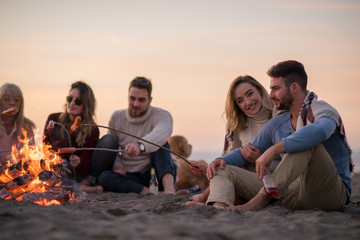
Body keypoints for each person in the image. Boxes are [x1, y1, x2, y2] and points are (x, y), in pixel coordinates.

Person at [206, 60, 352, 211]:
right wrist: (219, 160)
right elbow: (247, 150)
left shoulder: (321, 110)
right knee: (222, 168)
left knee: (306, 144)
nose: (270, 95)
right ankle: (219, 206)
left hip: (329, 193)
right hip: (290, 192)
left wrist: (274, 149)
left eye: (276, 89)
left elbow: (321, 131)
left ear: (294, 87)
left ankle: (258, 201)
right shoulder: (278, 122)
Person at [187, 75, 275, 205]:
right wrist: (208, 168)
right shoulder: (238, 124)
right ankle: (215, 204)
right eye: (240, 100)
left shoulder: (277, 116)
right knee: (225, 169)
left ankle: (204, 198)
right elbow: (229, 160)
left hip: (271, 180)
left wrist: (260, 159)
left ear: (259, 90)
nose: (248, 102)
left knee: (233, 174)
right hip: (244, 180)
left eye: (250, 94)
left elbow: (288, 163)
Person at [93, 76, 176, 195]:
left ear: (150, 100)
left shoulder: (162, 115)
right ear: (128, 96)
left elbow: (162, 132)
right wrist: (117, 164)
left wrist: (140, 146)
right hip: (129, 175)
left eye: (141, 100)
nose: (135, 103)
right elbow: (112, 147)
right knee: (105, 178)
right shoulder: (117, 117)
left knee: (161, 143)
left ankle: (169, 191)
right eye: (132, 98)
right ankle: (148, 192)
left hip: (155, 173)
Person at [43, 81, 102, 194]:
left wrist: (78, 163)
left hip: (78, 174)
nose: (72, 103)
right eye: (70, 99)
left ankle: (80, 186)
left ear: (86, 105)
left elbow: (87, 165)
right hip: (57, 168)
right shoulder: (54, 119)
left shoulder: (92, 129)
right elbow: (45, 148)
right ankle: (81, 188)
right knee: (47, 174)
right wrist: (58, 165)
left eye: (78, 101)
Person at [0, 83, 35, 166]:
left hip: (18, 174)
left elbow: (31, 156)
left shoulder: (27, 126)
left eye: (17, 100)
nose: (12, 103)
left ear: (21, 105)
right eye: (7, 99)